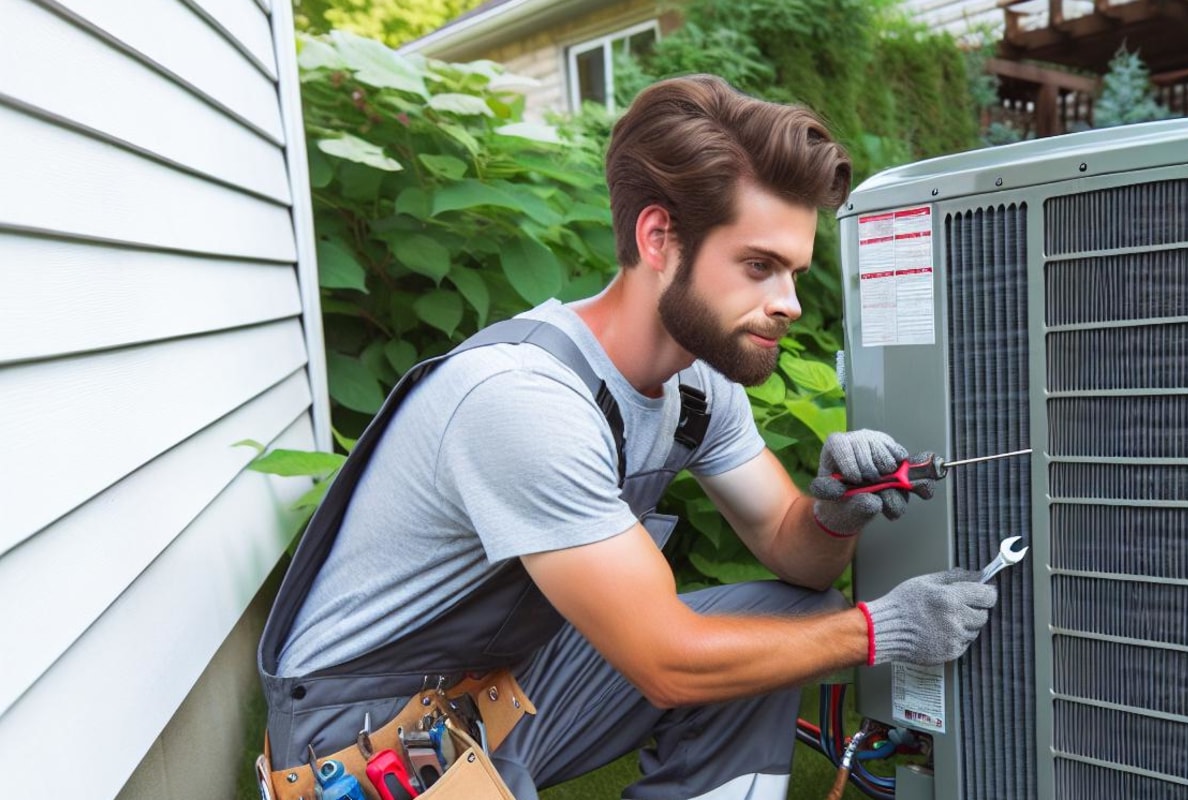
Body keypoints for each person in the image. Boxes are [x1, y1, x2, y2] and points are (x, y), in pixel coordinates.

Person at [255, 74, 997, 799]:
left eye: (794, 273)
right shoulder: (524, 400)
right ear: (658, 239)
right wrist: (880, 630)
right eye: (759, 267)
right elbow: (667, 663)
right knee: (799, 635)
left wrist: (836, 509)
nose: (789, 304)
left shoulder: (698, 387)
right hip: (363, 735)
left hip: (508, 681)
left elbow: (792, 550)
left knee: (788, 619)